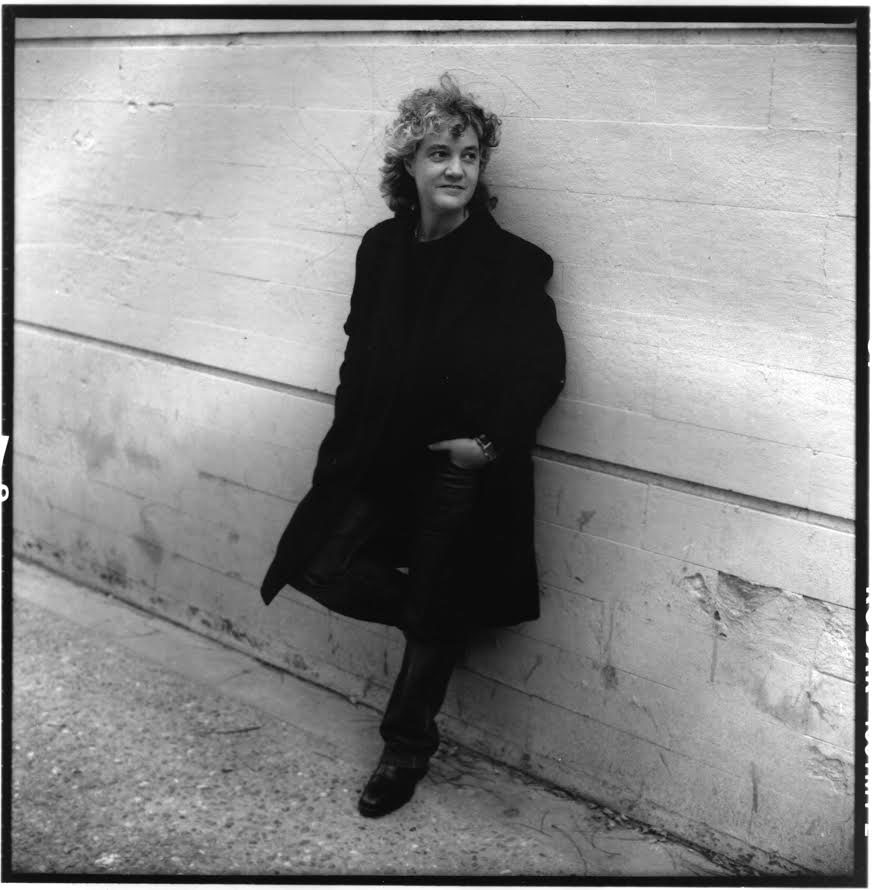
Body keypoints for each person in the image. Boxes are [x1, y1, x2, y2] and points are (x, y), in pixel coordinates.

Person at [260, 73, 566, 818]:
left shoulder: (513, 263)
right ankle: (437, 614)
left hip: (457, 470)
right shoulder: (381, 248)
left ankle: (404, 749)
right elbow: (358, 353)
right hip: (378, 455)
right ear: (410, 164)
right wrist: (342, 445)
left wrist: (484, 445)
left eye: (469, 154)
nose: (456, 168)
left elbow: (543, 370)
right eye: (439, 153)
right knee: (319, 562)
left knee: (439, 594)